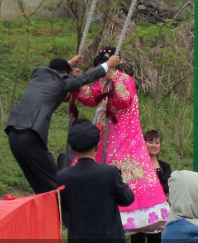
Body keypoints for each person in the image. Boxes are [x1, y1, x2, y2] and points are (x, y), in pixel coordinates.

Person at [75, 47, 170, 234]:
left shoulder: (125, 80)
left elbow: (124, 100)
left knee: (129, 172)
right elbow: (90, 98)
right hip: (107, 131)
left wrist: (113, 84)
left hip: (126, 133)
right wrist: (79, 83)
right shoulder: (103, 80)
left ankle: (133, 216)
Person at [6, 54, 119, 194]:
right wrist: (107, 64)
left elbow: (55, 72)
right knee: (55, 183)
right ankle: (62, 213)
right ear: (64, 74)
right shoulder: (62, 82)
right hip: (30, 135)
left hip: (12, 134)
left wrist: (68, 63)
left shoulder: (38, 74)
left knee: (38, 182)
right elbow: (85, 78)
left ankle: (47, 210)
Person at [128, 130, 173, 243]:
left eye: (157, 142)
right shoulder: (137, 164)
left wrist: (150, 187)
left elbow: (168, 186)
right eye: (150, 142)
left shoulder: (165, 166)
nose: (154, 145)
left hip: (158, 216)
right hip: (139, 214)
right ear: (143, 143)